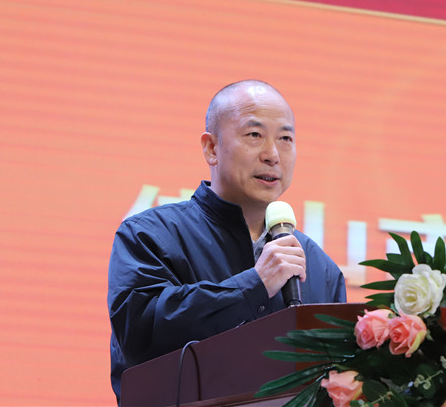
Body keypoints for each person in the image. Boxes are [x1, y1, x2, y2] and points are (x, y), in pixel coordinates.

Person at [107, 80, 347, 402]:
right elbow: (140, 334)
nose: (273, 155)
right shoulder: (150, 235)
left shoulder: (320, 266)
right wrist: (254, 285)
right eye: (254, 135)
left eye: (285, 139)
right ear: (211, 148)